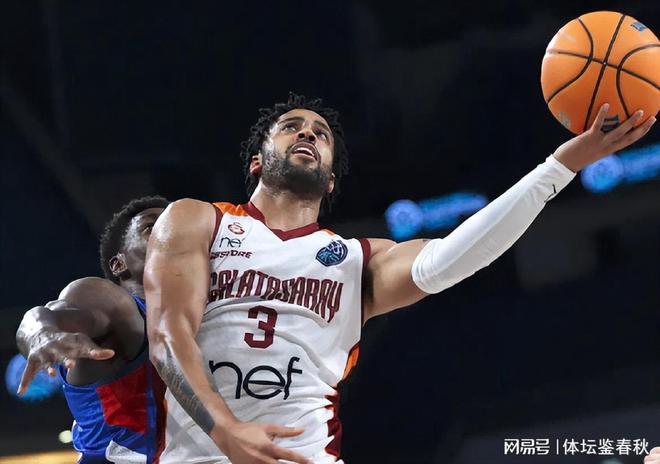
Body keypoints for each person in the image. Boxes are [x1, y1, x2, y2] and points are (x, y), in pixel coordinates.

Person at [144, 93, 656, 464]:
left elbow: (457, 255)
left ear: (331, 180)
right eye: (291, 126)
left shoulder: (357, 260)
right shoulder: (197, 220)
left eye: (320, 134)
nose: (308, 134)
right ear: (257, 161)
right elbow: (168, 336)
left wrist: (560, 166)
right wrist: (225, 430)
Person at [16, 196, 170, 464]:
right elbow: (51, 314)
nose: (173, 233)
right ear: (119, 264)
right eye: (151, 227)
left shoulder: (214, 317)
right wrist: (42, 333)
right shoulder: (115, 304)